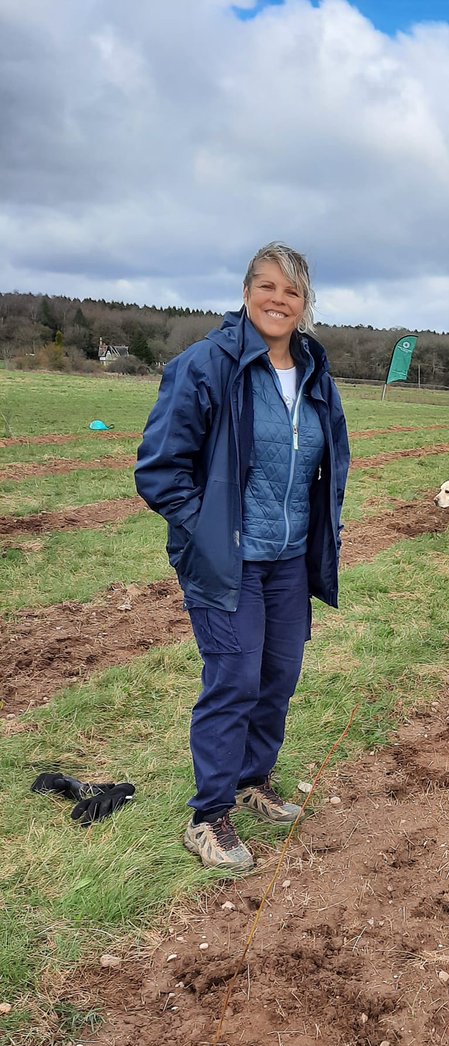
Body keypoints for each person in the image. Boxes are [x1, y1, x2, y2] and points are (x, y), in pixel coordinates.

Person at [135, 242, 350, 874]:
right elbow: (159, 469)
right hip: (228, 561)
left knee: (278, 676)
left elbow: (327, 462)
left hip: (287, 559)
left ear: (305, 304)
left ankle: (254, 782)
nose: (279, 300)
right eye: (267, 287)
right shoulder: (206, 365)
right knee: (233, 680)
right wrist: (208, 531)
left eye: (292, 291)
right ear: (246, 292)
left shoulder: (315, 374)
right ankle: (208, 815)